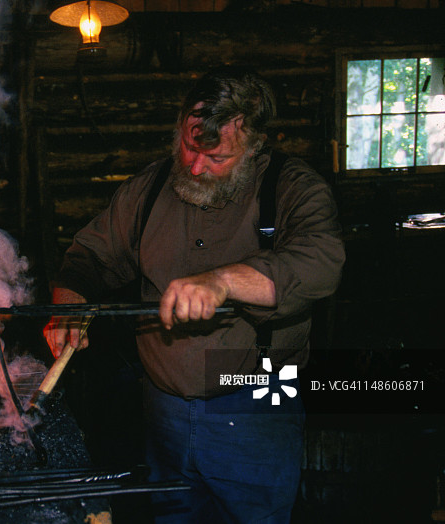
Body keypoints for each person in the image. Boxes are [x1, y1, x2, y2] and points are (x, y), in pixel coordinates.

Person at [43, 66, 346, 523]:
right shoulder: (149, 189)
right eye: (189, 145)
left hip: (256, 408)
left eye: (216, 156)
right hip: (162, 411)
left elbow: (320, 260)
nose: (194, 166)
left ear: (254, 142)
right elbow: (90, 255)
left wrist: (223, 280)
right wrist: (68, 303)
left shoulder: (292, 187)